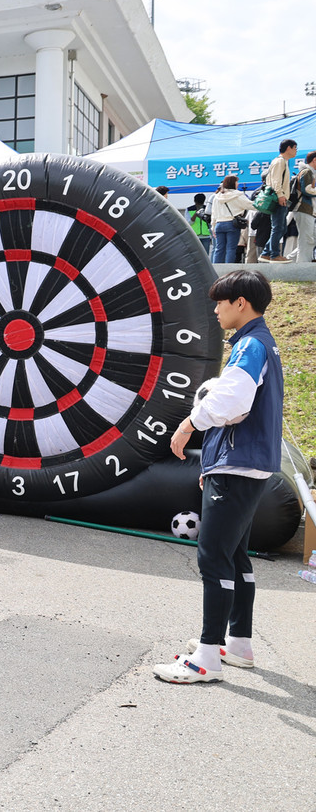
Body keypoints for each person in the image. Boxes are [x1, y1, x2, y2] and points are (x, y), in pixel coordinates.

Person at [159, 270, 283, 684]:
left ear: (240, 304)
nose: (215, 310)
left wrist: (189, 424)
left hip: (236, 465)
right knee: (235, 556)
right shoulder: (265, 343)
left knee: (213, 557)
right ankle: (239, 643)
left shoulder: (249, 344)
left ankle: (206, 658)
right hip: (247, 466)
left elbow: (232, 400)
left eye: (220, 302)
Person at [261, 139, 297, 262]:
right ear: (288, 148)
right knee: (278, 227)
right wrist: (281, 195)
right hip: (278, 199)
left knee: (281, 228)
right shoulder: (280, 162)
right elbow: (276, 180)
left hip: (280, 198)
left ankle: (266, 253)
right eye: (295, 148)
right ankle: (274, 255)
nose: (296, 150)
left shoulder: (283, 162)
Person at [210, 176, 252, 265]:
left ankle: (216, 269)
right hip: (231, 224)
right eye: (237, 182)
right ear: (233, 183)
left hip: (219, 225)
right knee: (231, 248)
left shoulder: (217, 197)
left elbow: (213, 213)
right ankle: (228, 269)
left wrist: (213, 226)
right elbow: (250, 205)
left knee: (219, 248)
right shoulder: (238, 195)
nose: (238, 184)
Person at [295, 151, 316, 264]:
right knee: (306, 239)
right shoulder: (307, 171)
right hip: (304, 208)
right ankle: (303, 266)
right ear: (315, 160)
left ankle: (291, 260)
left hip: (306, 210)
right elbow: (307, 190)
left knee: (309, 239)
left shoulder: (309, 172)